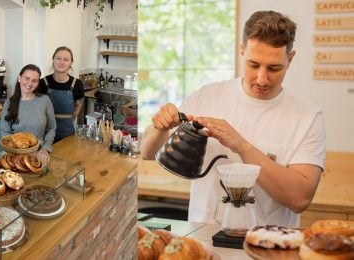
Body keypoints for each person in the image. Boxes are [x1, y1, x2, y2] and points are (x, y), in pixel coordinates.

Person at [140, 10, 326, 227]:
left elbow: (299, 198)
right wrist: (160, 127)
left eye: (274, 68)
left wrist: (241, 146)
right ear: (241, 51)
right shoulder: (206, 96)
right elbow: (147, 152)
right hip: (202, 244)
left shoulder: (308, 117)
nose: (262, 79)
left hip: (269, 248)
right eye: (253, 65)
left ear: (290, 59)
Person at [1, 64, 56, 159]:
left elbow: (51, 128)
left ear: (38, 82)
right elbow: (5, 132)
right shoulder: (9, 102)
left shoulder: (45, 100)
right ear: (19, 78)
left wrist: (45, 148)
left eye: (34, 80)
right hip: (14, 153)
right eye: (27, 78)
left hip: (39, 152)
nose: (30, 83)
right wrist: (14, 152)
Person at [38, 46, 85, 143]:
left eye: (66, 59)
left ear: (71, 62)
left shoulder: (77, 84)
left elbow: (78, 105)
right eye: (58, 58)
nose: (61, 62)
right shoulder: (43, 82)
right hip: (44, 134)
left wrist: (67, 121)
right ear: (53, 60)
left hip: (67, 134)